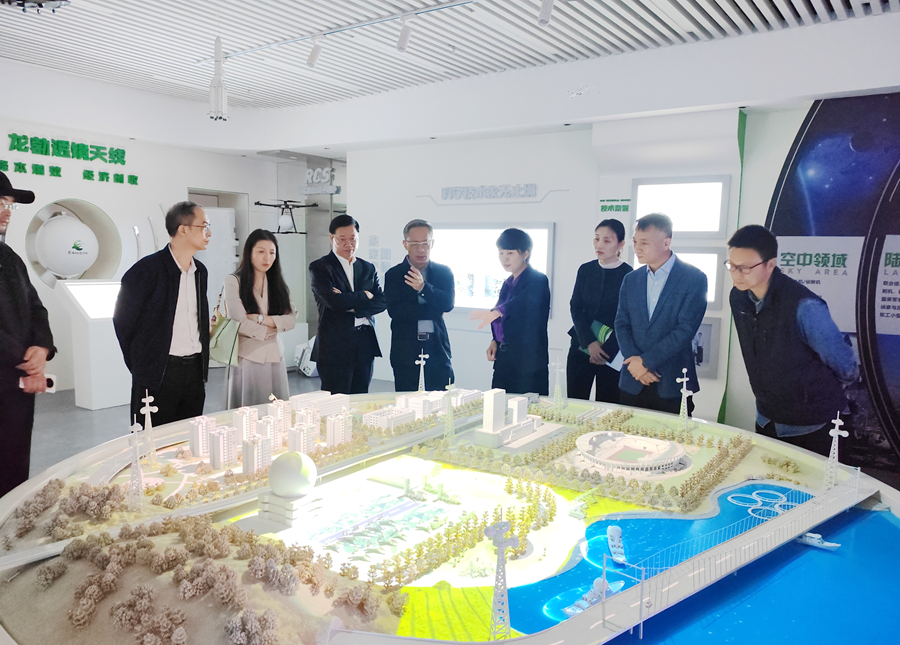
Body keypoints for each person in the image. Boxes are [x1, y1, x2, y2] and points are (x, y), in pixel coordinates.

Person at [728, 224, 858, 456]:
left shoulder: (804, 306)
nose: (736, 274)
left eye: (745, 267)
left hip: (812, 422)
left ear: (770, 264)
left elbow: (844, 363)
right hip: (767, 416)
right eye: (732, 265)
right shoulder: (738, 298)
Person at [114, 201, 210, 427]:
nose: (208, 232)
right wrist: (143, 365)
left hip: (194, 370)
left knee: (189, 437)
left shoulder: (200, 271)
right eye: (203, 226)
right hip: (159, 372)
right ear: (183, 229)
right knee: (152, 438)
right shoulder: (146, 270)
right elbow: (123, 321)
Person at [616, 213, 707, 413]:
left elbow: (685, 330)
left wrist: (646, 362)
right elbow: (621, 324)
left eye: (644, 243)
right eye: (635, 242)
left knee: (674, 434)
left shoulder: (694, 278)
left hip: (672, 382)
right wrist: (635, 363)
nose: (637, 248)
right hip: (633, 381)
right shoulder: (631, 279)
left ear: (666, 242)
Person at [0, 172, 55, 498]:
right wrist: (24, 358)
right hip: (12, 373)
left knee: (15, 466)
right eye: (0, 203)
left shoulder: (10, 257)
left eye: (10, 204)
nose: (7, 211)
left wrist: (41, 346)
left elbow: (36, 308)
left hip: (16, 390)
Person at [309, 214, 386, 394]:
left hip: (364, 342)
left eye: (353, 238)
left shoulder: (367, 267)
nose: (348, 244)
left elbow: (382, 301)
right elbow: (334, 302)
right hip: (335, 345)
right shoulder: (320, 267)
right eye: (342, 239)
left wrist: (350, 302)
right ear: (331, 238)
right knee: (335, 400)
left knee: (361, 398)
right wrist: (365, 295)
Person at [470, 228, 551, 395]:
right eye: (501, 253)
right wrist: (495, 340)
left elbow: (522, 304)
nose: (504, 258)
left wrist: (497, 312)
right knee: (498, 404)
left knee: (529, 407)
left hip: (528, 362)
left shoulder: (538, 279)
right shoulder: (507, 282)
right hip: (504, 360)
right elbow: (504, 318)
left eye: (510, 253)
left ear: (525, 253)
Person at [223, 229, 297, 407]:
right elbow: (239, 322)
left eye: (272, 252)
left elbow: (291, 319)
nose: (267, 258)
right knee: (249, 413)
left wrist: (260, 319)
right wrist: (274, 328)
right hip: (247, 357)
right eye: (261, 251)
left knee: (277, 412)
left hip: (276, 356)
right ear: (249, 253)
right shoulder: (234, 281)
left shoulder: (277, 283)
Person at [566, 219, 633, 403]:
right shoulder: (586, 270)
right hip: (581, 346)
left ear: (621, 244)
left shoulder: (629, 275)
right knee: (575, 403)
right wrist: (590, 342)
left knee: (608, 406)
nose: (599, 245)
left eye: (607, 240)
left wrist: (606, 350)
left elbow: (627, 318)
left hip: (611, 352)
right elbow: (576, 307)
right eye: (596, 239)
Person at [384, 219, 455, 391]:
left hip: (437, 346)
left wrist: (423, 288)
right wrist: (433, 309)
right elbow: (396, 311)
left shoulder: (443, 272)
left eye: (425, 243)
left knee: (441, 397)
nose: (421, 249)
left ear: (432, 243)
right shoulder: (394, 275)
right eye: (415, 244)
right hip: (405, 347)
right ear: (405, 244)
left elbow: (447, 304)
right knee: (406, 398)